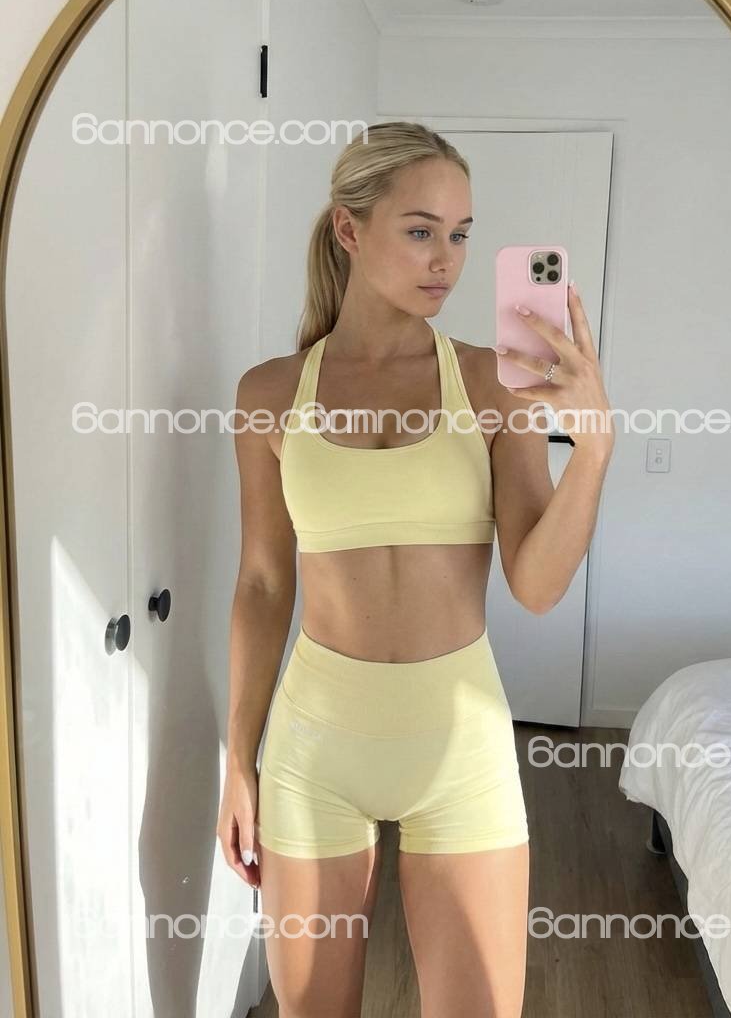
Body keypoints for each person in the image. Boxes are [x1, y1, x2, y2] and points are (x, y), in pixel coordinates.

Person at [216, 121, 614, 1018]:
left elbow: (538, 586)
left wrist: (592, 450)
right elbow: (263, 584)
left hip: (461, 743)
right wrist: (238, 760)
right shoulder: (268, 394)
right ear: (349, 229)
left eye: (462, 234)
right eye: (422, 230)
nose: (448, 260)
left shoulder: (495, 383)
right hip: (315, 745)